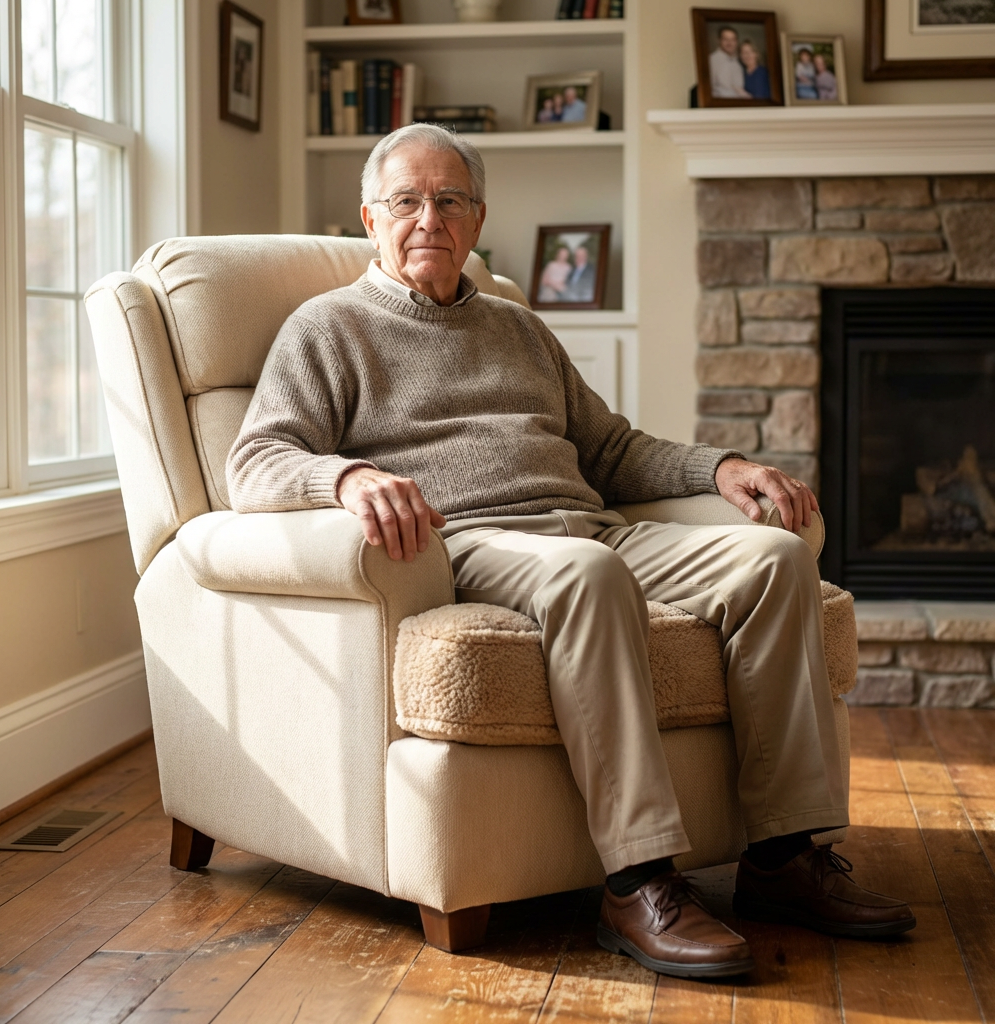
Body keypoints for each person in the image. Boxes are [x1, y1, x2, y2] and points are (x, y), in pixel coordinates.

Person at [227, 124, 916, 981]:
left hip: (589, 527)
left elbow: (613, 451)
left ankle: (781, 859)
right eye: (406, 201)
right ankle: (637, 881)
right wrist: (347, 478)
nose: (427, 219)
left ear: (478, 220)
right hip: (471, 541)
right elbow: (254, 459)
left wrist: (722, 467)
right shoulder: (327, 329)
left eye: (449, 200)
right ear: (370, 218)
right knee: (590, 573)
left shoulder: (521, 328)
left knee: (773, 558)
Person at [709, 26, 750, 98]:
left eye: (732, 40)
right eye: (725, 39)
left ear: (736, 42)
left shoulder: (738, 62)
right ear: (719, 40)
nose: (729, 43)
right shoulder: (712, 60)